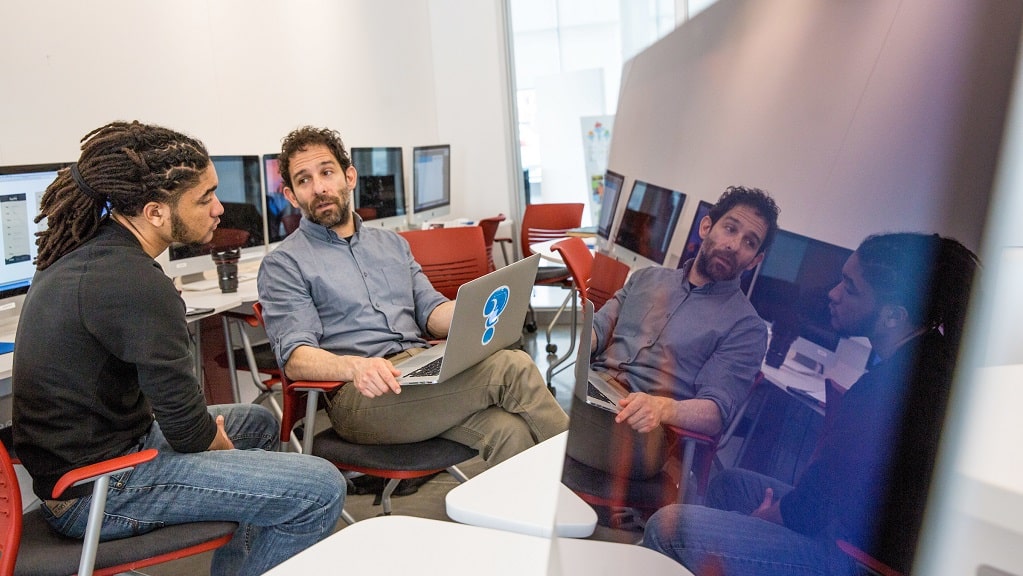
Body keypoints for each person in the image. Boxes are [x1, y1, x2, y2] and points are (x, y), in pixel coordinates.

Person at [12, 121, 344, 576]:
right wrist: (219, 448)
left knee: (259, 422)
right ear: (155, 212)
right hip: (93, 493)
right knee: (320, 488)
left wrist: (224, 446)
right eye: (204, 198)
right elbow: (189, 431)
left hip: (101, 457)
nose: (219, 209)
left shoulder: (95, 256)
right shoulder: (137, 284)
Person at [642, 232, 980, 576]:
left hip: (857, 557)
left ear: (893, 316)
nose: (833, 294)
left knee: (667, 527)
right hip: (848, 526)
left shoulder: (894, 389)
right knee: (731, 485)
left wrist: (768, 519)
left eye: (850, 287)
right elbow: (831, 489)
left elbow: (812, 508)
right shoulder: (923, 361)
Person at [256, 125, 568, 466]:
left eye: (327, 172)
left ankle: (536, 517)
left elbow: (432, 314)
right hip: (361, 396)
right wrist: (357, 367)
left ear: (349, 177)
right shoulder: (283, 263)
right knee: (513, 367)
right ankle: (583, 484)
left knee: (510, 430)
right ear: (290, 195)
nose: (318, 188)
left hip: (421, 374)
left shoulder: (391, 244)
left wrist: (480, 313)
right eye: (304, 180)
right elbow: (296, 357)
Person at [567, 186, 780, 479]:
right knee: (511, 411)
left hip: (640, 430)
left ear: (755, 260)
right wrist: (575, 352)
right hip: (590, 390)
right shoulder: (647, 278)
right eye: (730, 229)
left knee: (518, 379)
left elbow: (715, 412)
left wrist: (661, 407)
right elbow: (598, 328)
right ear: (707, 226)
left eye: (749, 242)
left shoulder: (746, 327)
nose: (734, 245)